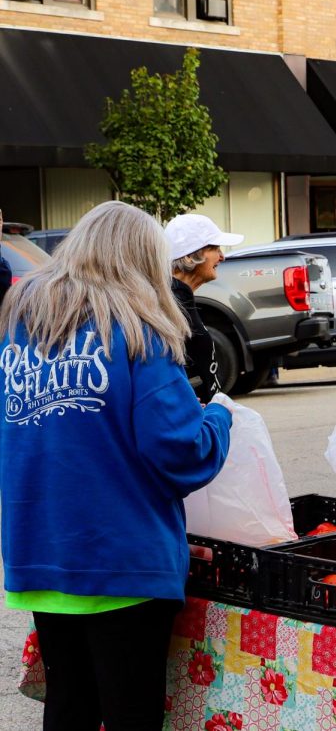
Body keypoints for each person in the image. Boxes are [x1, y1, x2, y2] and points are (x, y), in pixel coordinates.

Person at [0, 201, 232, 731]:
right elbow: (181, 451)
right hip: (122, 560)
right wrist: (219, 417)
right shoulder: (136, 331)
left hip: (41, 554)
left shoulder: (21, 327)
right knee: (130, 714)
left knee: (69, 707)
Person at [163, 213, 244, 402]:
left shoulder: (177, 297)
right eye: (215, 248)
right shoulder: (169, 304)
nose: (222, 256)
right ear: (190, 257)